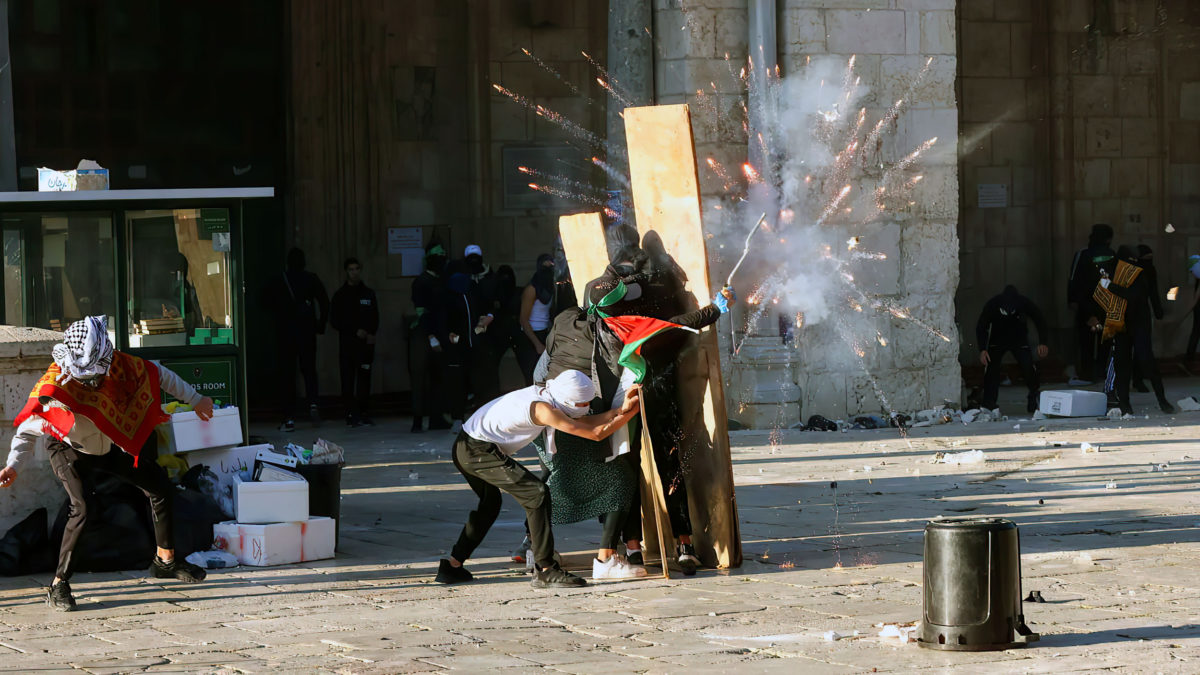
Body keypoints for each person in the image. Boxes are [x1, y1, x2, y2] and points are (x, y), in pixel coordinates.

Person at [0, 316, 211, 611]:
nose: (94, 383)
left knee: (159, 487)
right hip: (67, 448)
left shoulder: (122, 367)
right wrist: (13, 466)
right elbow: (26, 430)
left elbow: (159, 375)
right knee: (81, 507)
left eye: (98, 375)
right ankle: (59, 584)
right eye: (87, 378)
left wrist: (196, 398)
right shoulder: (56, 386)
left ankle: (165, 561)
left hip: (110, 445)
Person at [435, 371, 642, 589]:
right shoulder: (542, 408)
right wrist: (631, 413)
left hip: (467, 446)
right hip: (475, 450)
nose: (587, 406)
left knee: (490, 503)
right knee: (536, 493)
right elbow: (596, 434)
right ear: (569, 400)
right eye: (583, 403)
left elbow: (585, 421)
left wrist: (620, 411)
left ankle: (452, 565)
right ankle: (546, 570)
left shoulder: (550, 397)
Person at [1098, 246, 1175, 414]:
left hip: (1139, 322)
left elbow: (1135, 295)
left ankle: (1162, 400)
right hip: (1121, 324)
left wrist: (1111, 287)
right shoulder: (1114, 272)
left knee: (1147, 361)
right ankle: (1125, 405)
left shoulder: (1139, 273)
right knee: (1121, 363)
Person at [267, 247, 329, 432]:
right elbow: (325, 302)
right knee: (309, 369)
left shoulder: (280, 280)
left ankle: (289, 416)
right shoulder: (311, 279)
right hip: (307, 330)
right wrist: (320, 324)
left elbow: (265, 302)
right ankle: (313, 403)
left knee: (288, 374)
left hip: (286, 332)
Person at [975, 285, 1049, 413]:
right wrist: (982, 349)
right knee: (991, 369)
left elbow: (1039, 319)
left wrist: (1043, 342)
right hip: (997, 340)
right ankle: (989, 402)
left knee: (1028, 366)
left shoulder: (1023, 302)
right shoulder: (993, 304)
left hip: (1019, 339)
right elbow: (982, 326)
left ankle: (1033, 396)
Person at [330, 257, 379, 427]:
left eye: (357, 268)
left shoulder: (368, 293)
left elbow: (375, 316)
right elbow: (335, 320)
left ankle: (364, 412)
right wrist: (353, 331)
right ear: (346, 271)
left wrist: (371, 333)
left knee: (364, 378)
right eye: (351, 269)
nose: (354, 272)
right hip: (348, 346)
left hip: (365, 346)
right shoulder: (340, 295)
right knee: (348, 380)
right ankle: (350, 414)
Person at [409, 242, 451, 433]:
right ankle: (417, 420)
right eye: (438, 255)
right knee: (419, 377)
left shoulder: (442, 280)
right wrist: (432, 337)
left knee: (438, 377)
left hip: (440, 333)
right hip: (424, 334)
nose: (441, 259)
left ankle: (436, 417)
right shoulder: (421, 282)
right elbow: (422, 313)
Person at [1066, 224, 1115, 385]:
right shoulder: (1113, 256)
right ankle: (1101, 372)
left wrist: (1079, 307)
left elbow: (1074, 281)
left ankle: (1087, 375)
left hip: (1086, 307)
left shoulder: (1083, 255)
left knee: (1085, 344)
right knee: (1105, 343)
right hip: (1107, 307)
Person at [516, 254, 556, 386]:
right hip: (530, 337)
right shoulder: (531, 289)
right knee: (532, 380)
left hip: (544, 333)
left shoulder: (550, 287)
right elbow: (523, 320)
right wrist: (537, 344)